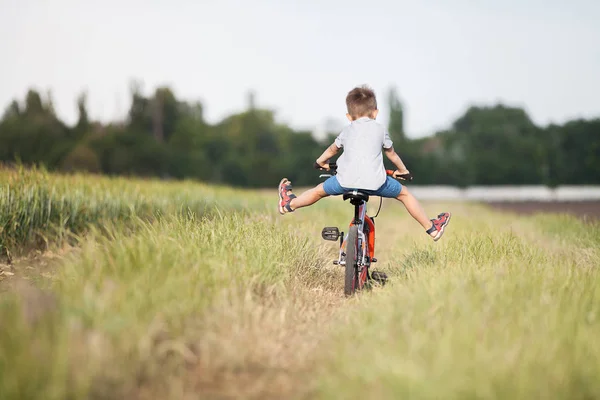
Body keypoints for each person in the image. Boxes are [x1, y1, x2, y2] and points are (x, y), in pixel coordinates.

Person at [277, 85, 451, 241]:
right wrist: (403, 171)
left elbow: (332, 150)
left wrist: (320, 162)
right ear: (375, 112)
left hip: (343, 182)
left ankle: (288, 204)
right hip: (376, 183)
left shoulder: (347, 130)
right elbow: (391, 154)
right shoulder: (380, 129)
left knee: (318, 191)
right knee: (404, 194)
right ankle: (431, 228)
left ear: (348, 116)